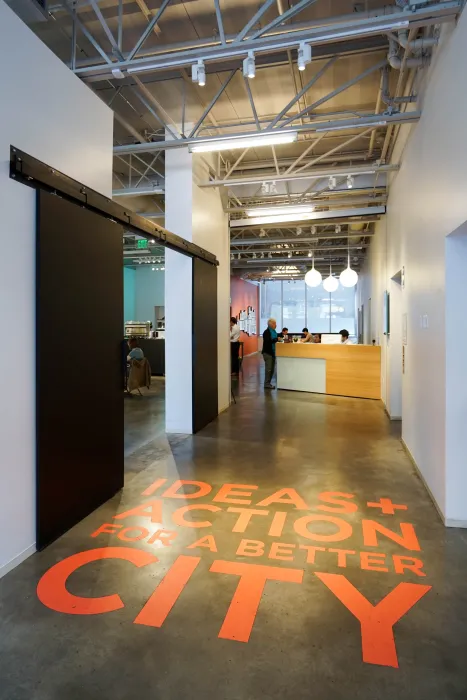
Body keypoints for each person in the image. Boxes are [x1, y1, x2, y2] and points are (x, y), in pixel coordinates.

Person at [262, 318, 278, 389]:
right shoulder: (266, 332)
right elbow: (269, 341)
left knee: (272, 369)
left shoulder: (274, 331)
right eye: (274, 323)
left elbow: (276, 336)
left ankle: (268, 383)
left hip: (273, 353)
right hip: (268, 353)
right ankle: (266, 383)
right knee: (268, 369)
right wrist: (277, 339)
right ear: (271, 324)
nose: (276, 325)